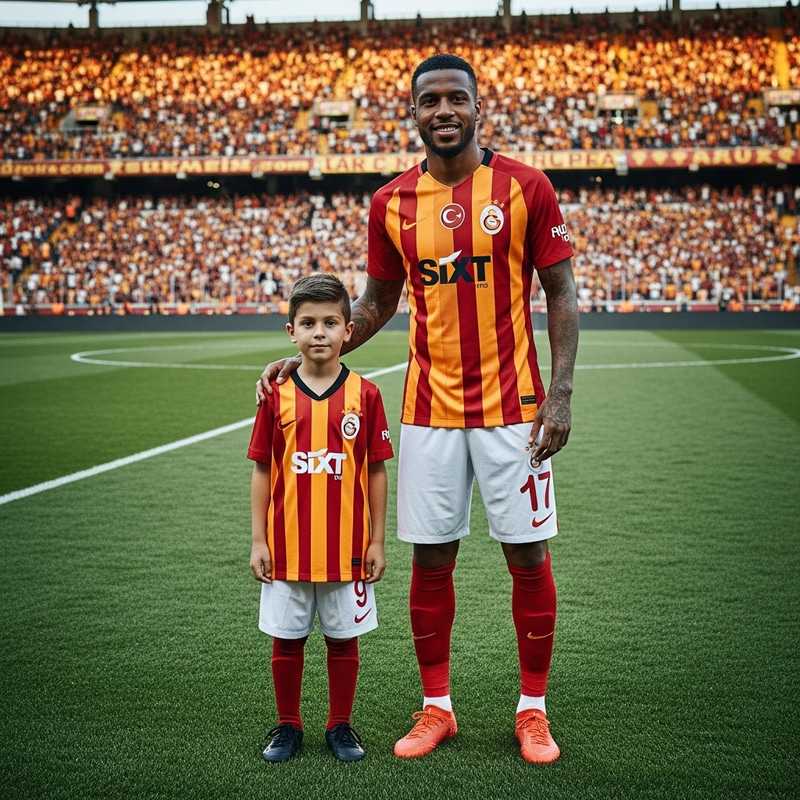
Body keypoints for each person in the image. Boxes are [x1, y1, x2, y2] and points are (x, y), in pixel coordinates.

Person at [257, 53, 579, 765]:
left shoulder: (526, 187)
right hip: (428, 412)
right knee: (431, 560)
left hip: (514, 412)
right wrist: (312, 355)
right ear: (414, 111)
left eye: (455, 98)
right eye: (429, 99)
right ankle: (438, 708)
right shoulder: (391, 203)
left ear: (476, 106)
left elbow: (560, 291)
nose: (443, 110)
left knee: (528, 555)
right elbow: (374, 304)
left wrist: (559, 395)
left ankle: (533, 710)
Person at [248, 273, 394, 763]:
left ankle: (340, 725)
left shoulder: (366, 395)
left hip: (347, 546)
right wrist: (258, 540)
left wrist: (377, 540)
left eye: (330, 322)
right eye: (308, 322)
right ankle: (288, 725)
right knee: (286, 641)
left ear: (349, 330)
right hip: (286, 546)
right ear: (291, 331)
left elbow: (375, 471)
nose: (319, 333)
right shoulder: (275, 395)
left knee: (342, 639)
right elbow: (263, 470)